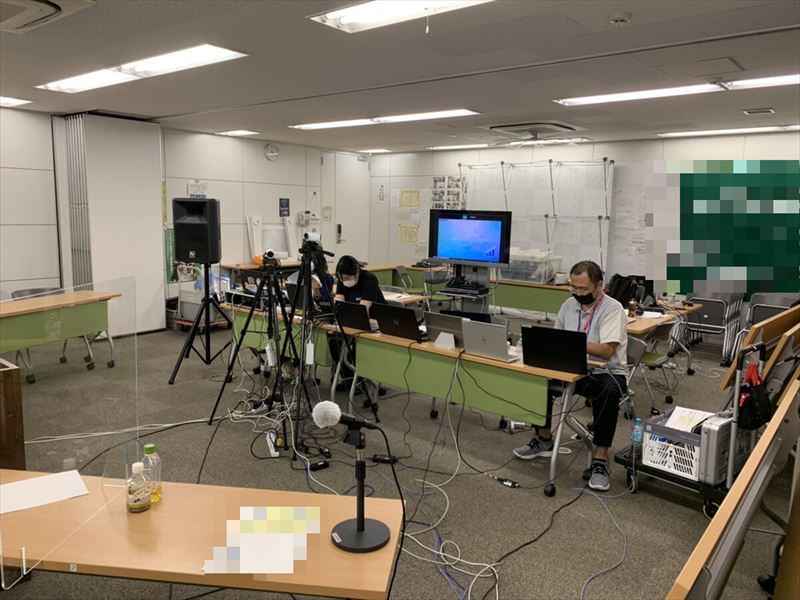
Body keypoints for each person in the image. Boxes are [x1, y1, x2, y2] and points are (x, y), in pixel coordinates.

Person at [513, 260, 628, 492]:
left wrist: (572, 343)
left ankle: (600, 458)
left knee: (608, 391)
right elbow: (557, 340)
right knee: (537, 379)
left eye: (582, 289)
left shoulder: (613, 309)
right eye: (573, 288)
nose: (577, 293)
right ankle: (543, 438)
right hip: (570, 366)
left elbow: (606, 350)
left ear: (599, 286)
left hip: (605, 371)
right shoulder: (568, 305)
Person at [329, 255, 386, 391]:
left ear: (357, 272)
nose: (345, 281)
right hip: (353, 320)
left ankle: (360, 380)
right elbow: (339, 302)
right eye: (342, 278)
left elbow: (363, 309)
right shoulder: (342, 280)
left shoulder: (369, 279)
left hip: (376, 322)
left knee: (355, 343)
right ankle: (349, 379)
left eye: (348, 278)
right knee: (333, 339)